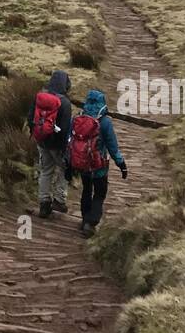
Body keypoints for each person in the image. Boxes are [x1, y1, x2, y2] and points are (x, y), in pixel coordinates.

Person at [66, 88, 128, 237]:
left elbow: (69, 142)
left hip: (83, 165)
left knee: (86, 190)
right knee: (100, 193)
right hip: (99, 166)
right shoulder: (105, 122)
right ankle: (91, 222)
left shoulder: (76, 119)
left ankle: (84, 219)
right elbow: (113, 146)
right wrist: (121, 164)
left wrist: (68, 163)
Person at [28, 69, 73, 218]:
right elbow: (65, 129)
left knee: (46, 171)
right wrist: (64, 148)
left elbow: (30, 119)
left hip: (42, 141)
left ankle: (44, 203)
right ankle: (59, 200)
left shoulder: (39, 98)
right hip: (57, 145)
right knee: (65, 170)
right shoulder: (65, 103)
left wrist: (36, 135)